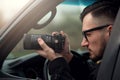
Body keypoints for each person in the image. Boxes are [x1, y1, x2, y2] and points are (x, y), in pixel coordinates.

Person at [37, 1, 119, 80]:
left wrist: (57, 64)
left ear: (110, 31)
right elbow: (92, 77)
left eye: (88, 35)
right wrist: (67, 56)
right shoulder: (112, 63)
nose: (83, 43)